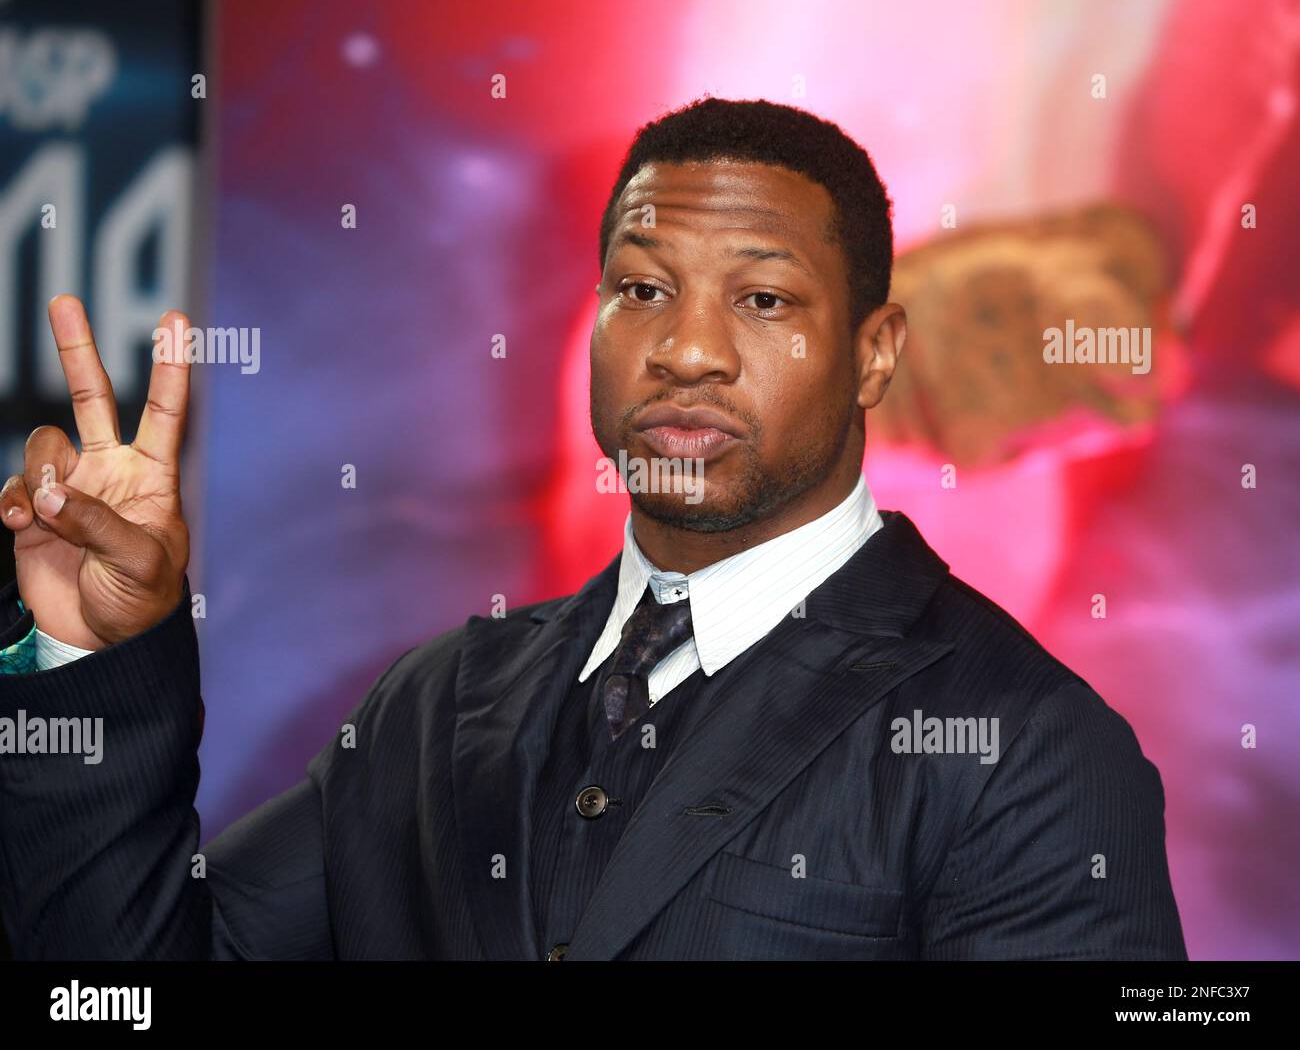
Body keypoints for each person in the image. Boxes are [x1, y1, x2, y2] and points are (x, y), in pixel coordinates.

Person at [0, 98, 1186, 960]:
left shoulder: (1026, 748)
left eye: (762, 300)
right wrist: (89, 653)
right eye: (642, 287)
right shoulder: (434, 703)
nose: (685, 349)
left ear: (874, 350)